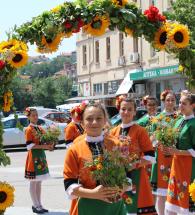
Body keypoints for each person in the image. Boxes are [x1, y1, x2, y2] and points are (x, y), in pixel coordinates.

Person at [63, 102, 127, 215]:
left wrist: (121, 188)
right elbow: (69, 184)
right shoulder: (74, 150)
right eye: (89, 119)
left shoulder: (117, 145)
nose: (94, 122)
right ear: (82, 123)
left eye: (99, 118)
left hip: (114, 205)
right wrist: (94, 193)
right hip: (88, 205)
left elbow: (127, 175)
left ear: (104, 121)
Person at [111, 95, 157, 215]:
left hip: (136, 176)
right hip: (117, 178)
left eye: (130, 109)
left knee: (134, 209)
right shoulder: (113, 132)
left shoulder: (140, 131)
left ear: (135, 112)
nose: (126, 112)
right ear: (119, 110)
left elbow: (151, 157)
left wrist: (132, 165)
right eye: (123, 109)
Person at [150, 90, 180, 215]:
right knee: (161, 193)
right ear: (163, 101)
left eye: (172, 100)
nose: (170, 102)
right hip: (161, 156)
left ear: (175, 101)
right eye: (168, 100)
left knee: (176, 191)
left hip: (175, 156)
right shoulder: (158, 118)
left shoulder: (179, 118)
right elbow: (152, 138)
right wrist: (157, 144)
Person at [165, 93, 195, 215]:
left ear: (193, 105)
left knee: (185, 204)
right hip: (176, 166)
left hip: (188, 168)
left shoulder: (193, 124)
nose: (180, 105)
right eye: (180, 102)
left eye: (184, 103)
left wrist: (177, 152)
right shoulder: (178, 121)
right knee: (172, 204)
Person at [24, 107, 54, 214]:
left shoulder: (40, 128)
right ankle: (35, 205)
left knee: (39, 182)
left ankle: (39, 204)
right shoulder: (29, 129)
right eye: (33, 115)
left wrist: (50, 145)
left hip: (40, 156)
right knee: (34, 182)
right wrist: (45, 147)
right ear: (28, 117)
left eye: (36, 115)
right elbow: (29, 146)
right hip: (33, 157)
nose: (35, 117)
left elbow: (44, 142)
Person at [137, 96, 158, 178]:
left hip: (158, 152)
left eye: (154, 105)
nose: (152, 107)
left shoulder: (161, 118)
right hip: (146, 152)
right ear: (146, 106)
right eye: (149, 105)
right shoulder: (141, 122)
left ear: (157, 106)